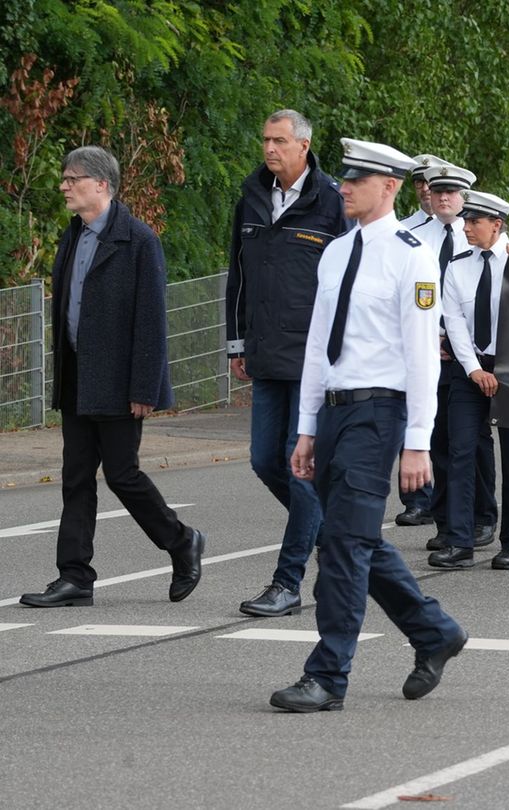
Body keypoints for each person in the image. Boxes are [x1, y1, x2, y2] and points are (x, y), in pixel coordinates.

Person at [270, 137, 467, 712]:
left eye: (356, 180)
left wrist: (418, 442)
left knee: (342, 548)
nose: (344, 188)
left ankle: (328, 675)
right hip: (333, 410)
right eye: (343, 180)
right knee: (350, 538)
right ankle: (434, 631)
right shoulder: (335, 252)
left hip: (380, 411)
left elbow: (423, 355)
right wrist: (306, 427)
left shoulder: (412, 255)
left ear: (390, 187)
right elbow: (316, 348)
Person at [20, 145, 207, 609]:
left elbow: (151, 320)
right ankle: (74, 577)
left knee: (123, 475)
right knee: (76, 477)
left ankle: (182, 542)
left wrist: (145, 387)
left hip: (121, 383)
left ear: (101, 185)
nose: (64, 185)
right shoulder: (74, 235)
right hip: (77, 377)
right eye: (64, 178)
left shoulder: (138, 240)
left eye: (72, 178)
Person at [224, 109, 348, 618]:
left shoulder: (332, 202)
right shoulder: (252, 197)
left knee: (302, 472)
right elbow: (237, 275)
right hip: (264, 353)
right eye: (265, 140)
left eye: (279, 140)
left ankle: (287, 582)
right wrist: (236, 344)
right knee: (264, 461)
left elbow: (349, 284)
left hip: (313, 359)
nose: (270, 149)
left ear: (304, 145)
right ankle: (325, 528)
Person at [429, 190, 509, 572]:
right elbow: (454, 322)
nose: (467, 227)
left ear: (497, 225)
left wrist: (501, 369)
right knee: (461, 453)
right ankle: (460, 541)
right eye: (466, 220)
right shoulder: (459, 266)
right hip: (469, 367)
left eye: (474, 221)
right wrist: (474, 368)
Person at [406, 163, 479, 550]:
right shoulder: (412, 236)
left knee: (469, 444)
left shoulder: (477, 235)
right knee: (435, 441)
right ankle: (444, 522)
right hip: (427, 352)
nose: (444, 198)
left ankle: (480, 518)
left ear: (464, 198)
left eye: (452, 193)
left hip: (469, 355)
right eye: (438, 192)